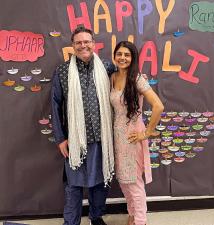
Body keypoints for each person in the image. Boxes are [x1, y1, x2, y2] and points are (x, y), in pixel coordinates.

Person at [51, 26, 115, 225]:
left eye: (87, 41)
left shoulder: (106, 67)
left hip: (101, 137)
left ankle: (96, 217)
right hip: (75, 139)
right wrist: (60, 138)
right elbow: (55, 104)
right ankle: (71, 222)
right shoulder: (62, 71)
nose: (83, 45)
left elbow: (124, 84)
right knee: (74, 185)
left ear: (94, 44)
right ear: (73, 45)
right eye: (78, 42)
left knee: (100, 182)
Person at [110, 41, 164, 225]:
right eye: (119, 54)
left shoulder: (138, 79)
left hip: (132, 137)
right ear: (115, 56)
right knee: (124, 181)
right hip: (117, 137)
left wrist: (146, 133)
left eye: (127, 55)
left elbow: (158, 106)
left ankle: (141, 221)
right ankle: (132, 217)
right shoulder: (112, 77)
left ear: (132, 58)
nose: (122, 58)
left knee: (134, 183)